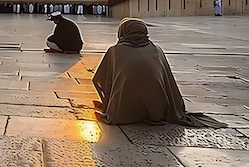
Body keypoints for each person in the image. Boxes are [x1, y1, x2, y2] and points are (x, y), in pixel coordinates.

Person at [92, 18, 225, 127]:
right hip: (157, 112)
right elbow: (168, 82)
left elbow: (98, 79)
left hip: (121, 112)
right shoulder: (156, 50)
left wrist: (109, 99)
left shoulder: (115, 51)